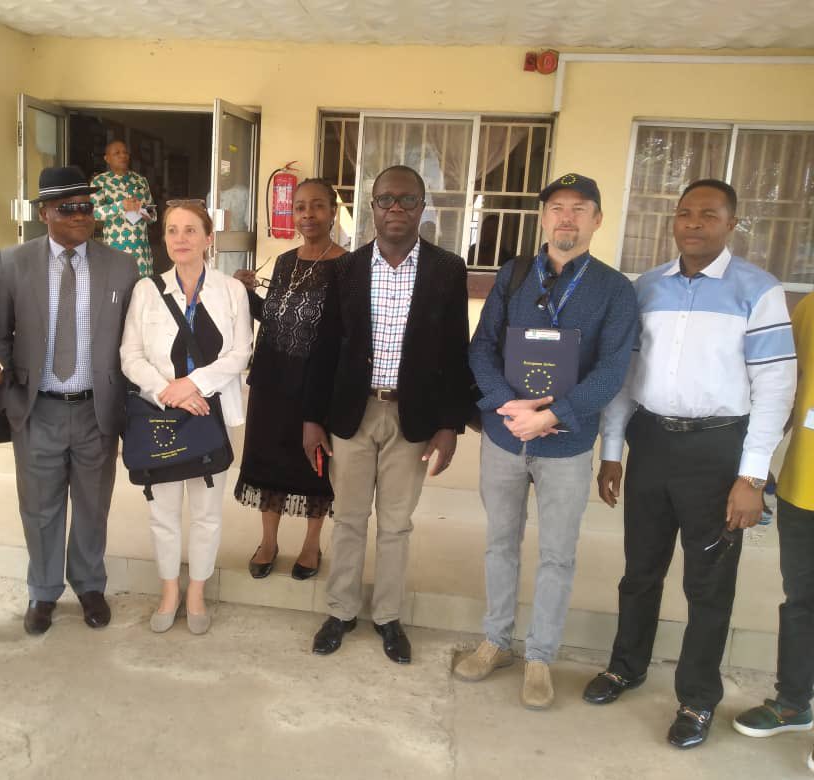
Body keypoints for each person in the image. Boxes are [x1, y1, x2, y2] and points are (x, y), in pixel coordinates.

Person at [586, 179, 797, 749]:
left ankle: (697, 698)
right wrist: (612, 453)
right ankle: (625, 667)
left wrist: (751, 477)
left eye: (708, 214)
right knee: (640, 570)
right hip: (651, 442)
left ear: (731, 224)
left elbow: (775, 387)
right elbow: (626, 379)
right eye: (684, 213)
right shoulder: (647, 287)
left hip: (718, 452)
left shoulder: (759, 291)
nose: (693, 223)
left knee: (708, 584)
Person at [461, 174, 638, 708]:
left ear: (597, 219)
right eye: (557, 207)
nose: (567, 217)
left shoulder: (614, 289)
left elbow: (613, 371)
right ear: (543, 217)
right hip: (505, 435)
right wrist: (507, 405)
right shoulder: (514, 275)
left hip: (566, 443)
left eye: (579, 208)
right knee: (499, 543)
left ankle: (540, 655)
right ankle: (496, 641)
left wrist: (555, 414)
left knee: (558, 554)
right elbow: (482, 348)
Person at [304, 165, 473, 664]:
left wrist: (449, 424)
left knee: (396, 523)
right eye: (385, 200)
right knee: (350, 517)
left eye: (406, 200)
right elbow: (325, 349)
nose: (395, 209)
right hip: (353, 415)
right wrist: (313, 418)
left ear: (423, 207)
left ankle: (388, 616)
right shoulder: (346, 270)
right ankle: (340, 610)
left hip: (413, 417)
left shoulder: (447, 269)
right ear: (371, 208)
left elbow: (454, 351)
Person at [0, 166, 138, 635]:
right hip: (38, 409)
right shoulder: (12, 263)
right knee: (39, 507)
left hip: (97, 410)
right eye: (68, 208)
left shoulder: (122, 265)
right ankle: (44, 591)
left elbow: (134, 340)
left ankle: (90, 585)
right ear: (44, 213)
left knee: (94, 505)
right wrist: (14, 402)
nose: (81, 216)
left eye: (87, 207)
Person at [121, 200, 252, 634]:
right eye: (173, 230)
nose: (181, 238)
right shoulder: (147, 290)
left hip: (209, 414)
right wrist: (168, 391)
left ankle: (196, 591)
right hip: (160, 414)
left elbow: (240, 352)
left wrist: (194, 386)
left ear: (209, 238)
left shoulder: (231, 291)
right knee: (162, 512)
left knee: (207, 512)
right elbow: (130, 356)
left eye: (191, 230)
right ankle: (169, 590)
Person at [233, 179, 345, 581]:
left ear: (333, 211)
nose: (308, 215)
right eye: (300, 207)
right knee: (267, 458)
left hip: (314, 384)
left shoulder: (347, 266)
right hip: (271, 380)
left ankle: (312, 544)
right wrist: (245, 294)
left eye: (317, 206)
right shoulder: (283, 262)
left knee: (312, 465)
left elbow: (342, 335)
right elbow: (275, 316)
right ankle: (268, 541)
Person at [732, 289, 814, 775]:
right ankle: (795, 702)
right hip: (805, 486)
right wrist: (754, 469)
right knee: (801, 600)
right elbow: (790, 387)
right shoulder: (811, 308)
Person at [91, 140, 156, 278]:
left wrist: (145, 214)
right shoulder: (99, 182)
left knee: (144, 293)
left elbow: (153, 213)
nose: (123, 156)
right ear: (107, 158)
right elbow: (93, 213)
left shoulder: (140, 181)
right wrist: (120, 206)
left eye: (125, 152)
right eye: (117, 153)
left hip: (141, 252)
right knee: (119, 293)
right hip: (116, 250)